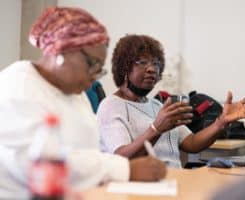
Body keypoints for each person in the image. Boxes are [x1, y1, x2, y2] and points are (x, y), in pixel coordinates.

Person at [0, 8, 166, 199]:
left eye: (99, 69)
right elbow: (41, 164)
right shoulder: (16, 89)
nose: (95, 77)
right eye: (92, 64)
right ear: (61, 51)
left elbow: (86, 153)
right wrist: (126, 169)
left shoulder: (74, 92)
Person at [97, 34, 245, 168]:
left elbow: (192, 143)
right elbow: (119, 159)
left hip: (173, 183)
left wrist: (220, 123)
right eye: (143, 62)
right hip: (140, 188)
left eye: (156, 63)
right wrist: (156, 128)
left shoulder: (157, 106)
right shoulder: (111, 106)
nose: (152, 68)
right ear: (124, 67)